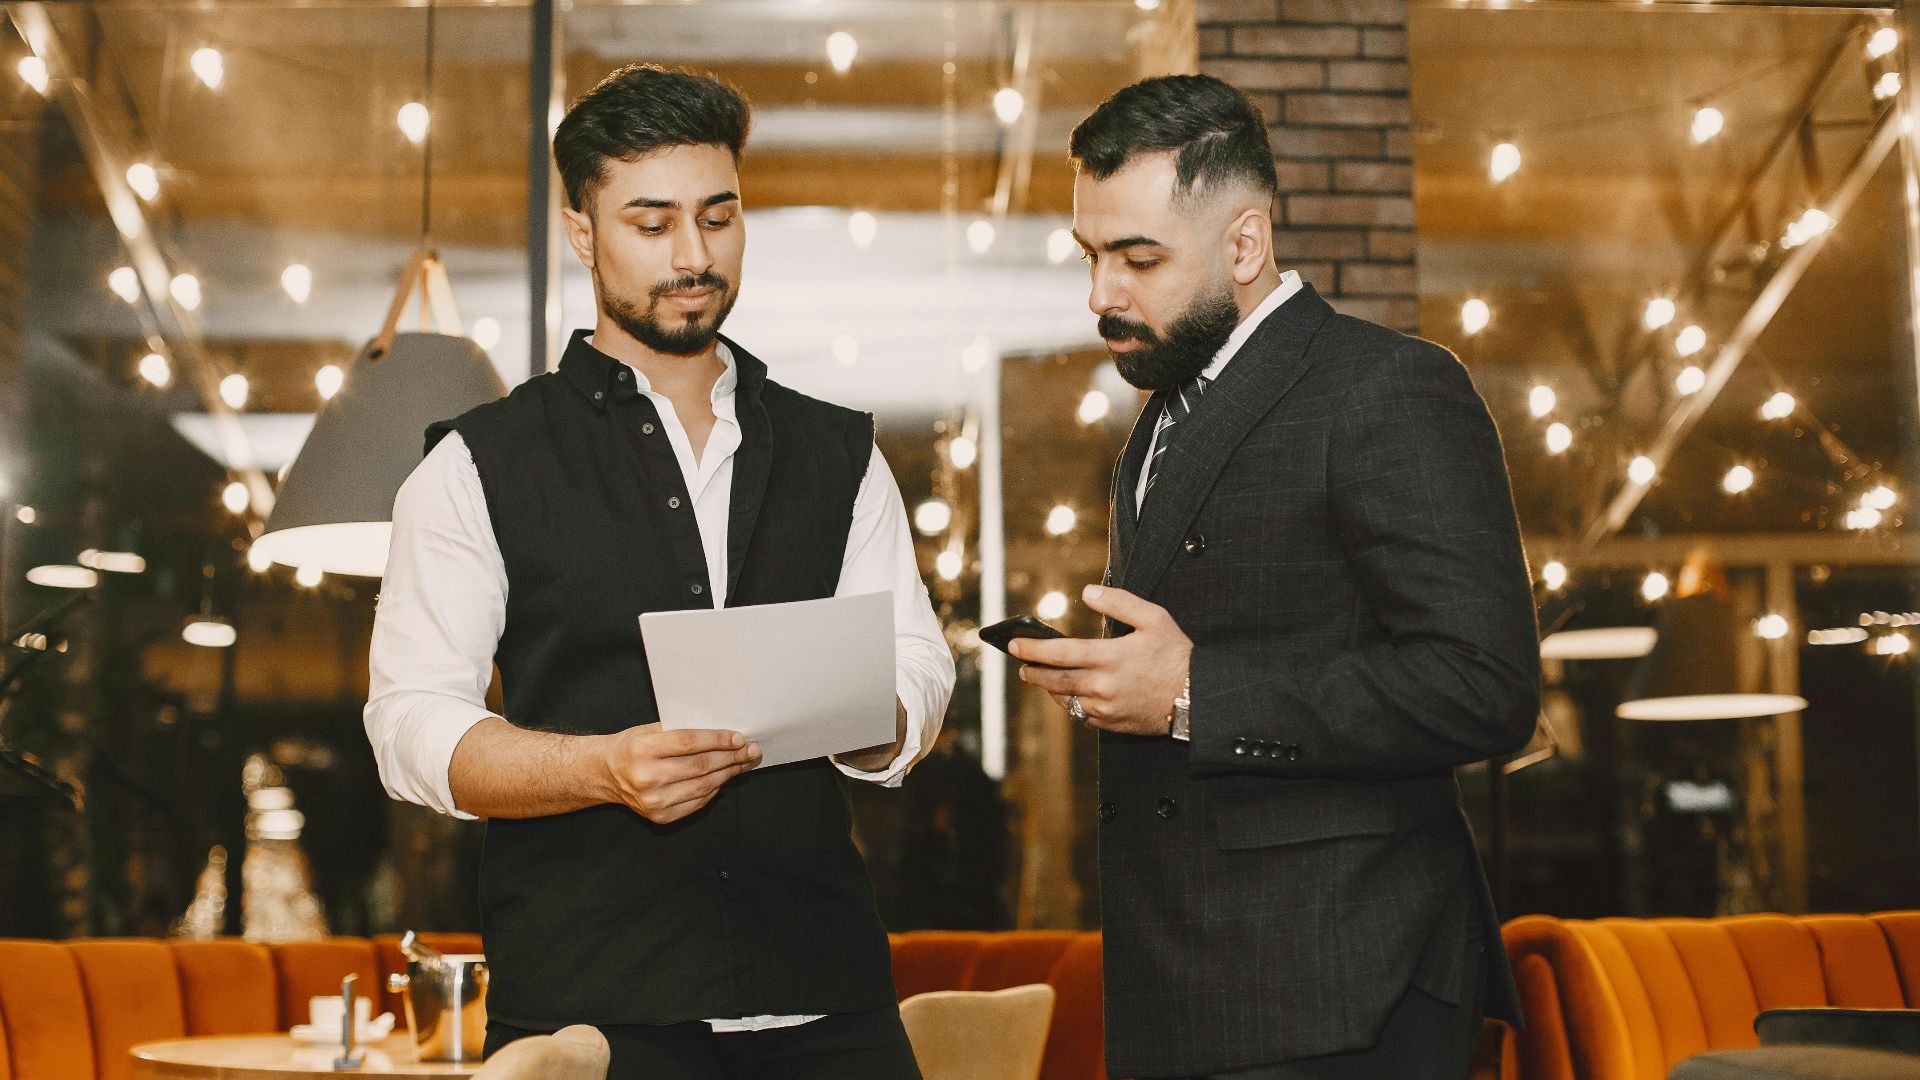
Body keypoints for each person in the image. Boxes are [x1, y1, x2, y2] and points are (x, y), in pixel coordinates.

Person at [364, 64, 954, 1080]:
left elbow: (918, 665)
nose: (694, 254)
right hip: (589, 1022)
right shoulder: (475, 464)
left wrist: (870, 712)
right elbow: (410, 725)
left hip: (831, 1010)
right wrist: (597, 768)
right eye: (652, 222)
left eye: (718, 218)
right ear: (584, 232)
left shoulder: (840, 453)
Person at [1009, 74, 1540, 1080]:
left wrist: (1192, 693)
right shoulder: (1163, 414)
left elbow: (1486, 686)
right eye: (1091, 256)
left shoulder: (1387, 387)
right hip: (1197, 986)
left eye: (1139, 258)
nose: (1100, 294)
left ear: (1245, 245)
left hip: (1344, 987)